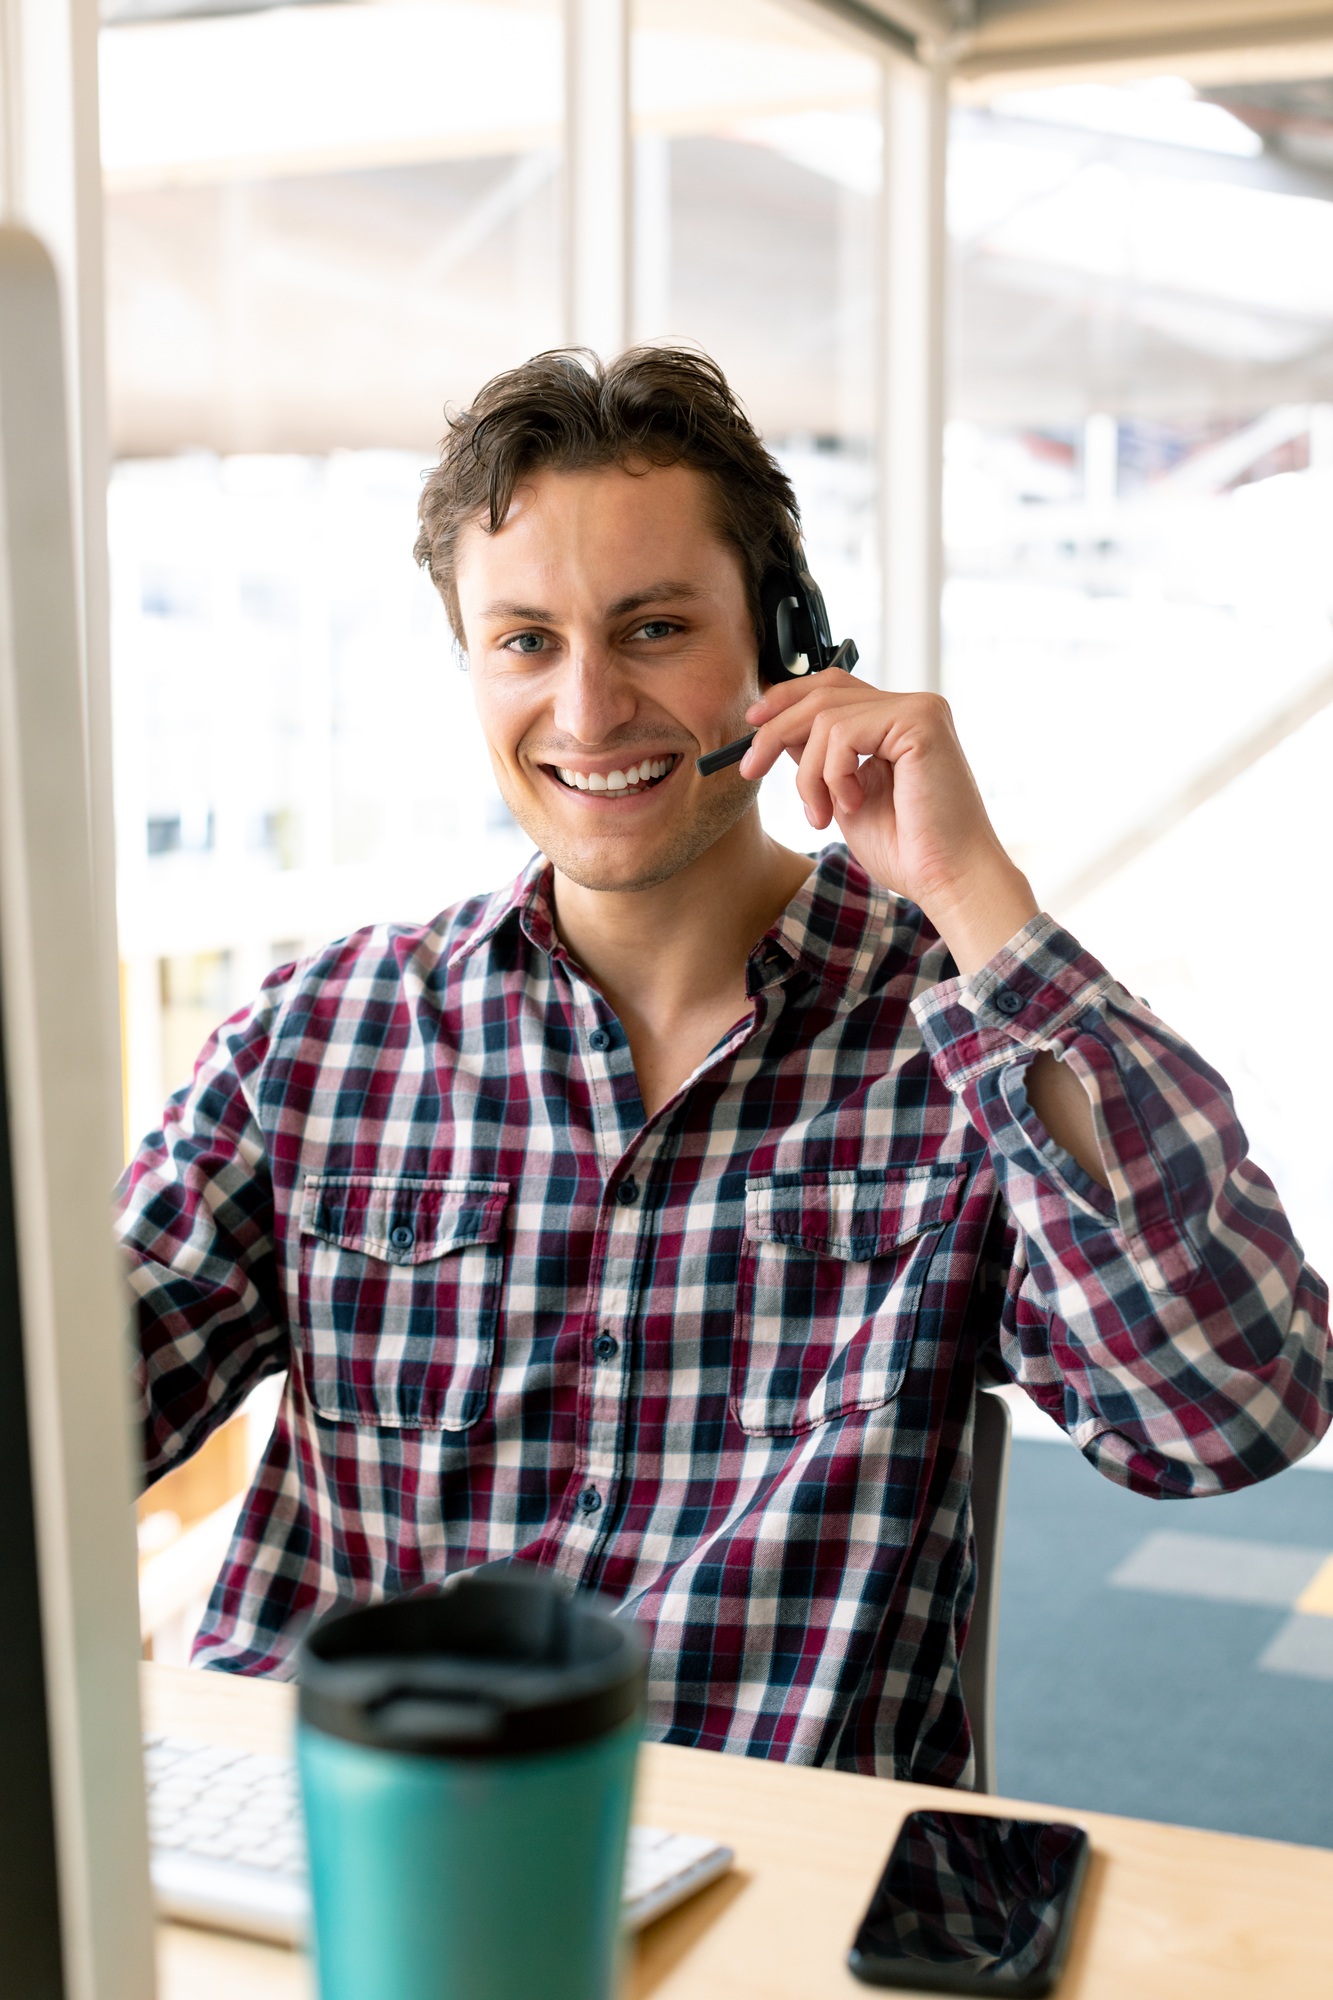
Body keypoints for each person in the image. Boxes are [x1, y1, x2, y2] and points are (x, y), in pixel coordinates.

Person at [119, 347, 1331, 1785]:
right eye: (524, 641)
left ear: (786, 642)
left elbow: (1227, 1409)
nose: (583, 712)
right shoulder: (319, 1039)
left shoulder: (952, 1036)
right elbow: (72, 1416)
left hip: (759, 1882)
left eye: (650, 629)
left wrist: (972, 895)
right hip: (334, 1847)